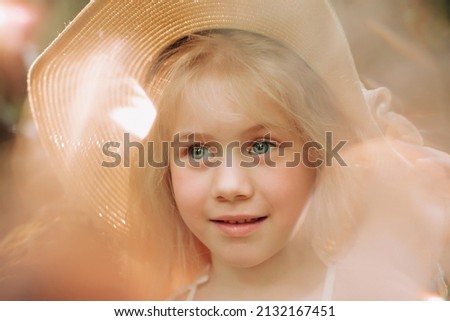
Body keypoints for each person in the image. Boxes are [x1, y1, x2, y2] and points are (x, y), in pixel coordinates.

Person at [2, 0, 449, 300]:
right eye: (196, 153)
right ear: (164, 174)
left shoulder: (373, 292)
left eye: (262, 146)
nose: (230, 185)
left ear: (317, 155)